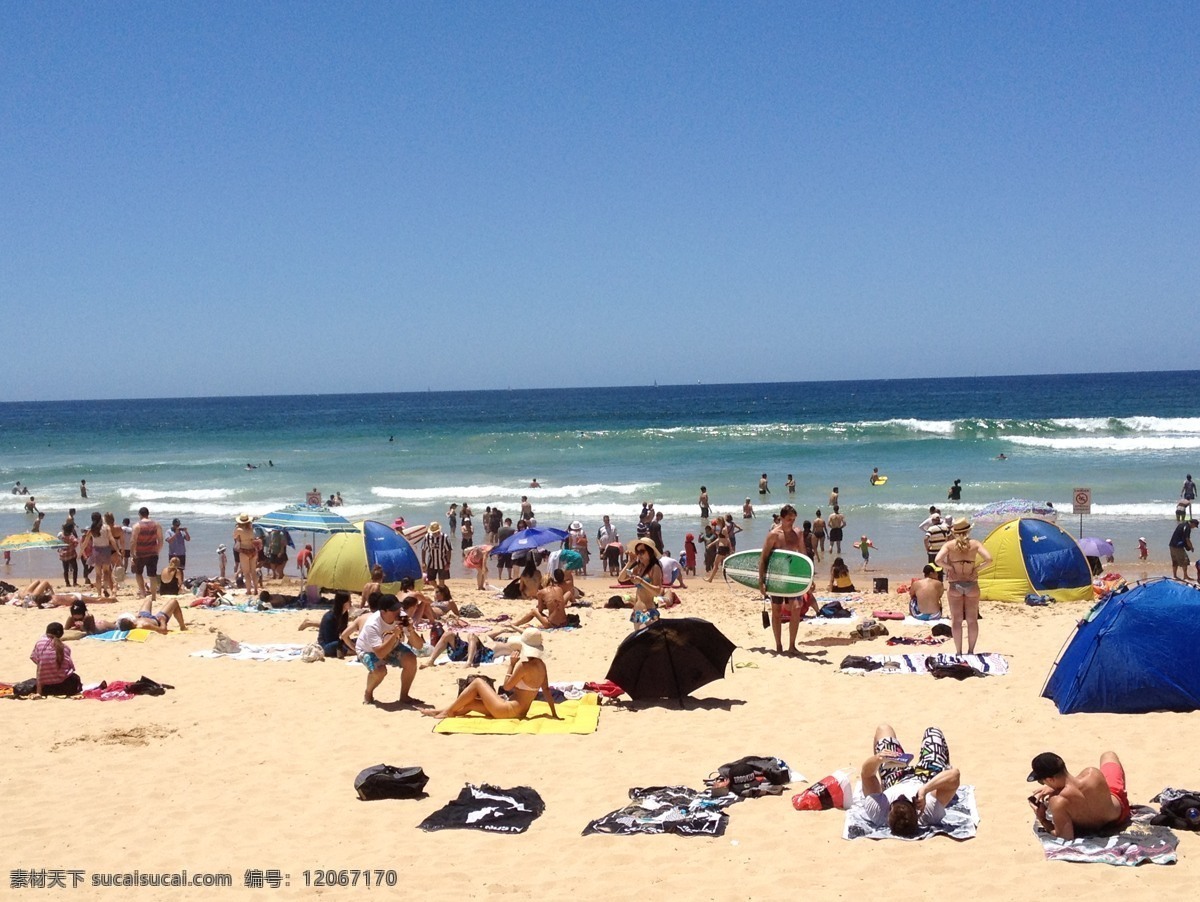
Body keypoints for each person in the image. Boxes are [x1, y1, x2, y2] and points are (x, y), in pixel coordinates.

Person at [421, 628, 558, 721]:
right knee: (471, 704)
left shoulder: (523, 666)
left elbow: (507, 687)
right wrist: (554, 714)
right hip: (520, 713)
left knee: (477, 683)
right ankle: (442, 711)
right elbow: (546, 691)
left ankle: (446, 712)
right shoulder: (541, 666)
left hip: (507, 710)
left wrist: (511, 664)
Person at [855, 724, 960, 837]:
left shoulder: (878, 811)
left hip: (895, 780)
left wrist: (878, 759)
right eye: (907, 800)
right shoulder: (928, 811)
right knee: (933, 732)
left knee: (884, 729)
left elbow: (867, 775)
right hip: (926, 779)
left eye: (897, 800)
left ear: (889, 811)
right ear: (916, 811)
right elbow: (954, 775)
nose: (902, 796)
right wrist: (925, 790)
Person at [1028, 751, 1131, 840]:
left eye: (1042, 781)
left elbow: (1065, 837)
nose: (1044, 784)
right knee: (1108, 755)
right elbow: (1075, 785)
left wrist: (1042, 819)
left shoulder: (1058, 801)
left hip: (1093, 828)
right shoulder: (1092, 773)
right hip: (1120, 815)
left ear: (1050, 779)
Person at [934, 519, 993, 655]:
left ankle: (959, 652)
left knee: (956, 620)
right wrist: (977, 568)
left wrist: (950, 568)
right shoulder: (975, 544)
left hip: (955, 584)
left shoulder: (949, 545)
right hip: (971, 584)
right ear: (968, 531)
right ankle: (971, 651)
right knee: (972, 620)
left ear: (954, 532)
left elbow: (938, 560)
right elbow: (989, 559)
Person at [356, 595, 421, 706]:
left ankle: (404, 696)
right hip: (369, 650)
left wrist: (410, 629)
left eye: (399, 608)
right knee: (380, 671)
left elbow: (418, 645)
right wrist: (394, 635)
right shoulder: (372, 625)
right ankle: (368, 692)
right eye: (394, 610)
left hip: (392, 646)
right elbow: (380, 654)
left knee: (411, 659)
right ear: (383, 611)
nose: (398, 612)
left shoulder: (401, 617)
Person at [759, 505, 806, 654]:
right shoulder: (773, 535)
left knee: (797, 608)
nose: (791, 522)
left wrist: (808, 579)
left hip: (792, 576)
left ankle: (792, 646)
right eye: (788, 519)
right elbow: (764, 558)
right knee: (777, 611)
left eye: (793, 519)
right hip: (777, 577)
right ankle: (778, 646)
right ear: (781, 518)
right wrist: (762, 581)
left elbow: (804, 557)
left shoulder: (798, 533)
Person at [30, 622, 82, 697]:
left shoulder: (40, 643)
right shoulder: (65, 648)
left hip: (46, 687)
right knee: (75, 678)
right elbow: (71, 667)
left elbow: (36, 661)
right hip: (65, 687)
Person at [621, 538, 663, 625]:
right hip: (636, 612)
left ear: (650, 552)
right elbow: (621, 578)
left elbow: (657, 591)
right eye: (637, 552)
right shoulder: (639, 568)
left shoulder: (655, 568)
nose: (639, 555)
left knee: (645, 637)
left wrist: (641, 581)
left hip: (648, 611)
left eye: (642, 552)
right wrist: (629, 563)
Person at [298, 592, 352, 658]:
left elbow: (344, 632)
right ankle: (351, 651)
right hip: (326, 645)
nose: (351, 602)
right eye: (349, 600)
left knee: (356, 640)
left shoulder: (344, 614)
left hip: (337, 641)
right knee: (338, 644)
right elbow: (329, 639)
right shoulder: (330, 617)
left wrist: (349, 642)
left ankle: (347, 649)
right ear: (343, 602)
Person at [131, 506, 163, 604]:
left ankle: (143, 593)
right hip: (153, 553)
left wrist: (132, 554)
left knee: (138, 573)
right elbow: (160, 540)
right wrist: (157, 550)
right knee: (152, 575)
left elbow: (133, 541)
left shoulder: (137, 526)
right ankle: (153, 596)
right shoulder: (156, 525)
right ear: (148, 514)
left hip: (140, 554)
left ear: (140, 515)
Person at [81, 511, 116, 597]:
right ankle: (105, 588)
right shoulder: (106, 527)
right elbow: (111, 539)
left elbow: (85, 543)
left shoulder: (92, 529)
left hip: (96, 551)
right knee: (106, 572)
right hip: (106, 550)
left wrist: (80, 553)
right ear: (100, 518)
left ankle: (99, 593)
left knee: (98, 574)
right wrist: (117, 550)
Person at [233, 513, 260, 594]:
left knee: (246, 573)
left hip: (244, 551)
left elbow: (234, 536)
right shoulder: (252, 529)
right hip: (253, 551)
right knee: (253, 572)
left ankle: (248, 590)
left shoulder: (239, 530)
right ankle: (255, 590)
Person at [422, 521, 453, 588]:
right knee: (430, 580)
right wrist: (423, 562)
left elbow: (448, 550)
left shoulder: (445, 537)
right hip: (431, 562)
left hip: (443, 562)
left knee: (441, 581)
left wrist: (448, 562)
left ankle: (441, 592)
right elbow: (423, 549)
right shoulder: (427, 537)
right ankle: (437, 588)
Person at [58, 521, 80, 587]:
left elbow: (58, 543)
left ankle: (67, 583)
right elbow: (76, 542)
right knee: (75, 569)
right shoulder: (71, 536)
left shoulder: (61, 536)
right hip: (71, 555)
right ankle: (74, 582)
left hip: (63, 555)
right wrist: (72, 547)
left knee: (65, 570)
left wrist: (60, 549)